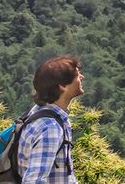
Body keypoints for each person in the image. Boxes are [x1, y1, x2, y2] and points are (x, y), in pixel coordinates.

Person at [18, 55, 84, 184]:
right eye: (77, 75)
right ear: (62, 86)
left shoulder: (37, 112)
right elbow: (34, 180)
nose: (81, 77)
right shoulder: (50, 127)